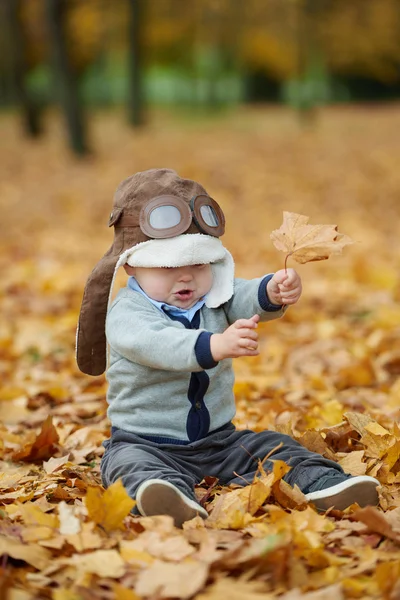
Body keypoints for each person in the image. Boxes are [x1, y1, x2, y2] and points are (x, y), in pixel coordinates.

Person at [76, 168, 379, 527]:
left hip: (219, 442)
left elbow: (240, 294)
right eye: (168, 266)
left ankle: (325, 485)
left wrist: (270, 291)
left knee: (273, 447)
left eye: (198, 263)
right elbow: (159, 344)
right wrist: (215, 344)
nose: (185, 275)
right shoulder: (127, 314)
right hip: (146, 442)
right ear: (132, 267)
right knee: (128, 466)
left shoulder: (212, 296)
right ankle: (163, 495)